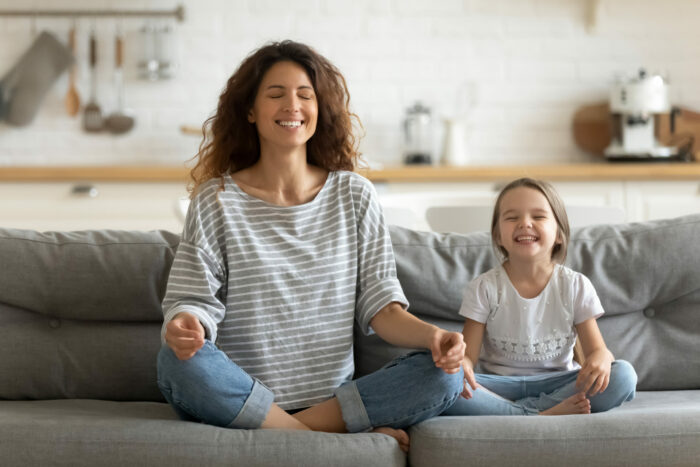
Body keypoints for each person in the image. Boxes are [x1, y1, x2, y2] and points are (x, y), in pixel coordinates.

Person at [156, 40, 464, 451]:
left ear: (321, 110)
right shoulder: (216, 200)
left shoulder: (354, 195)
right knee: (174, 364)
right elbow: (192, 299)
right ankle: (323, 438)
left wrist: (435, 337)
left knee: (446, 373)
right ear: (250, 110)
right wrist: (185, 322)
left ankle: (281, 429)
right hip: (237, 390)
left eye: (305, 95)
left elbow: (382, 308)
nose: (292, 105)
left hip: (329, 401)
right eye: (276, 94)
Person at [442, 178, 637, 416]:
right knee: (443, 381)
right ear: (497, 236)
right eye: (512, 218)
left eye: (539, 216)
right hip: (499, 386)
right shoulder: (483, 287)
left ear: (559, 234)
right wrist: (461, 366)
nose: (525, 223)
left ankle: (517, 414)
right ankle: (542, 413)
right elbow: (468, 359)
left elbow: (597, 352)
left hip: (560, 383)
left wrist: (603, 359)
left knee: (623, 375)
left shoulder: (575, 285)